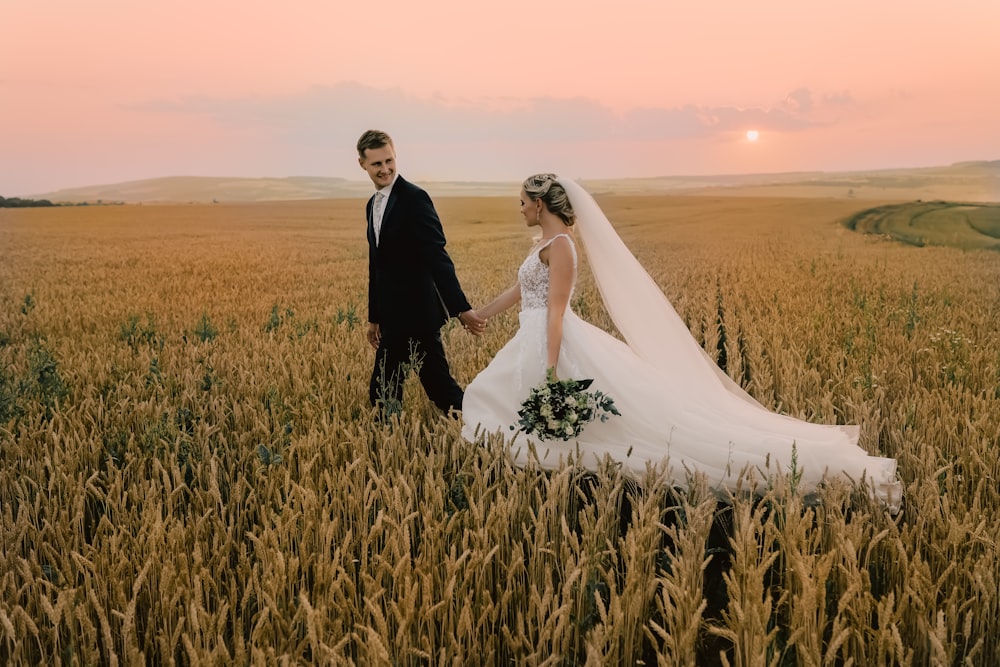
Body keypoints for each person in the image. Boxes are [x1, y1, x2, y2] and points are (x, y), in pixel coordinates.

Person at [461, 174, 902, 512]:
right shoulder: (544, 243)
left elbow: (555, 311)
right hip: (531, 335)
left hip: (551, 339)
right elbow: (523, 292)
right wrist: (481, 313)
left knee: (597, 417)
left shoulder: (562, 248)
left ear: (539, 204)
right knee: (494, 398)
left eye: (522, 203)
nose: (519, 210)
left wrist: (553, 366)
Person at [357, 130, 485, 417]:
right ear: (362, 164)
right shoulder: (372, 205)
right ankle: (386, 451)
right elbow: (376, 266)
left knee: (440, 391)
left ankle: (486, 430)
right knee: (384, 393)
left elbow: (437, 256)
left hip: (418, 317)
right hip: (392, 320)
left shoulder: (415, 198)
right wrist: (374, 316)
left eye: (389, 160)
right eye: (377, 164)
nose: (385, 169)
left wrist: (461, 308)